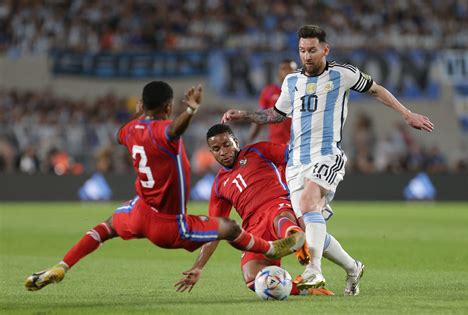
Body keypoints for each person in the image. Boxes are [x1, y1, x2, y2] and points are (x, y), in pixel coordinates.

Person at [24, 81, 305, 291]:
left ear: (139, 107)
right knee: (229, 228)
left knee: (106, 227)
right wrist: (191, 110)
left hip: (139, 211)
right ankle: (271, 249)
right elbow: (173, 130)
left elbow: (120, 135)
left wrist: (136, 119)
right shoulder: (165, 131)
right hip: (170, 224)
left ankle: (62, 266)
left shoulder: (129, 130)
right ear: (169, 108)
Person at [221, 25, 434, 295]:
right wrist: (245, 114)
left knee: (310, 203)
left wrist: (407, 114)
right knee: (309, 225)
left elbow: (376, 89)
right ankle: (353, 267)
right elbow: (276, 115)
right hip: (296, 162)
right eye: (302, 51)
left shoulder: (343, 74)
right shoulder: (292, 82)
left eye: (312, 50)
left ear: (325, 49)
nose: (307, 56)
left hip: (327, 155)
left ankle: (314, 271)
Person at [175, 124, 361, 297]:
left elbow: (298, 159)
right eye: (217, 149)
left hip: (278, 205)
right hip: (255, 228)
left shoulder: (258, 151)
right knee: (253, 277)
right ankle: (307, 288)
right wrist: (198, 266)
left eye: (227, 145)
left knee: (282, 220)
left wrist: (313, 190)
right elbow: (215, 230)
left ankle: (296, 238)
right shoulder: (218, 185)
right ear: (211, 153)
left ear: (236, 142)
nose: (223, 152)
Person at [247, 59, 297, 145]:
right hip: (275, 143)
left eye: (291, 69)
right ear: (278, 73)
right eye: (284, 68)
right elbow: (260, 117)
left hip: (296, 144)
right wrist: (249, 141)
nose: (287, 72)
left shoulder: (303, 92)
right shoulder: (269, 91)